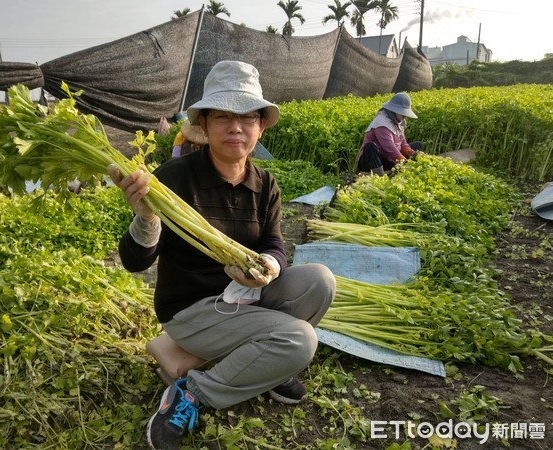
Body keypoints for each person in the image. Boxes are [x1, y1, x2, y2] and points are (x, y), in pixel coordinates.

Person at [108, 60, 336, 450]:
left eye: (247, 117)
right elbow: (135, 263)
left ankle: (268, 365)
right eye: (223, 117)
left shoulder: (265, 184)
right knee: (300, 341)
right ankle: (191, 394)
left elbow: (275, 243)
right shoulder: (175, 179)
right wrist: (146, 218)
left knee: (320, 280)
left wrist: (269, 267)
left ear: (260, 126)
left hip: (248, 297)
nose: (236, 127)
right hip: (194, 308)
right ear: (205, 127)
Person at [356, 92, 424, 176]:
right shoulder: (381, 122)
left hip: (389, 158)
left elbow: (403, 143)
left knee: (418, 146)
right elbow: (389, 148)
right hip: (373, 160)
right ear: (394, 111)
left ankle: (394, 167)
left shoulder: (399, 122)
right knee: (370, 147)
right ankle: (379, 176)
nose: (404, 117)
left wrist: (413, 154)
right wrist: (404, 162)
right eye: (403, 114)